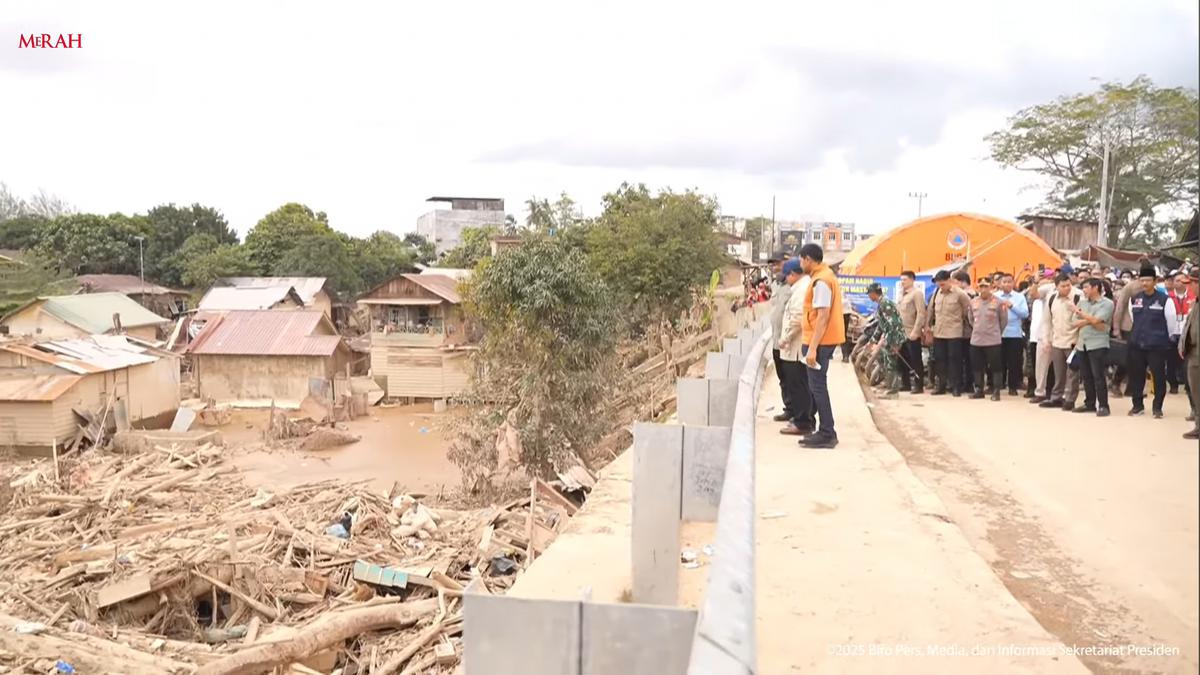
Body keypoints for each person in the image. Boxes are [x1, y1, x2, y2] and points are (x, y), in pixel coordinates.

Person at [796, 244, 845, 449]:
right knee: (817, 386)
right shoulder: (825, 276)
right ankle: (824, 430)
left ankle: (827, 432)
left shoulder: (821, 281)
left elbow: (823, 316)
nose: (800, 264)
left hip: (820, 341)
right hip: (823, 339)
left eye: (801, 260)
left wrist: (813, 347)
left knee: (818, 387)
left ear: (808, 259)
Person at [1127, 264, 1177, 418]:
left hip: (1157, 346)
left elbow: (1171, 322)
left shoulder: (1165, 300)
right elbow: (1132, 317)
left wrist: (1165, 340)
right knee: (1136, 376)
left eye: (1148, 280)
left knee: (1159, 376)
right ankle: (1137, 406)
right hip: (1137, 344)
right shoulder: (1135, 299)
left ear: (1155, 281)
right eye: (1142, 280)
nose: (1144, 284)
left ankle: (1157, 408)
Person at [775, 258, 815, 435]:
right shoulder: (800, 288)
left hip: (796, 347)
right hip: (796, 346)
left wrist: (786, 338)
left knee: (797, 384)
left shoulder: (801, 290)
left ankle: (802, 422)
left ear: (793, 274)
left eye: (787, 276)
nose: (786, 279)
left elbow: (798, 318)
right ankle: (803, 418)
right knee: (801, 384)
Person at [1070, 278, 1115, 416]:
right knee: (1086, 375)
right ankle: (1089, 403)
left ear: (1095, 288)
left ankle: (1103, 405)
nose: (1084, 290)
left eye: (1086, 287)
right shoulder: (1082, 302)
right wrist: (1092, 321)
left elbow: (1097, 320)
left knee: (1098, 376)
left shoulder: (1107, 303)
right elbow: (1074, 323)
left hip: (1098, 343)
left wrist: (1082, 315)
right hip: (1082, 343)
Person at [925, 270, 973, 396]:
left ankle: (956, 386)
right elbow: (930, 310)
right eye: (939, 284)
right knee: (940, 360)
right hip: (939, 332)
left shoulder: (960, 294)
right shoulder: (936, 293)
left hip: (954, 332)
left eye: (943, 284)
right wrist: (927, 327)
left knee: (955, 361)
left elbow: (967, 311)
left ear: (950, 281)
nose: (941, 286)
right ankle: (941, 386)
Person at [1040, 275, 1083, 410]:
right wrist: (1046, 339)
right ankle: (1056, 397)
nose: (1066, 288)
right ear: (1056, 286)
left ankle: (1070, 399)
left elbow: (1083, 320)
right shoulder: (1052, 298)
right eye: (1063, 286)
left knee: (1072, 373)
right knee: (1058, 372)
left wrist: (1079, 341)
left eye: (1068, 285)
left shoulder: (1078, 297)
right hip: (1057, 341)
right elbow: (1047, 320)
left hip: (1073, 341)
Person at [969, 278, 1007, 400]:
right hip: (976, 340)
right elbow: (970, 319)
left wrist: (996, 332)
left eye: (986, 286)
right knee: (977, 366)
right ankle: (979, 389)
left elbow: (1003, 321)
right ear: (977, 288)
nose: (983, 289)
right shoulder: (973, 302)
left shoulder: (999, 302)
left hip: (993, 340)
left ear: (991, 287)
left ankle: (996, 391)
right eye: (981, 286)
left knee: (996, 366)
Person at [767, 256, 795, 423]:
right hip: (776, 339)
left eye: (777, 264)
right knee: (783, 378)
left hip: (788, 340)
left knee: (793, 378)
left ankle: (797, 412)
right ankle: (789, 409)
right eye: (772, 265)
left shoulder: (793, 287)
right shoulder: (775, 285)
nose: (775, 267)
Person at [866, 283, 906, 395]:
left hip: (894, 337)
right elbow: (881, 325)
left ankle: (893, 391)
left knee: (891, 363)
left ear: (873, 293)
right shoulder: (881, 304)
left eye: (869, 294)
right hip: (889, 337)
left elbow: (894, 324)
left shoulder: (885, 303)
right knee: (883, 360)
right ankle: (888, 384)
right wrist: (872, 341)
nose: (869, 296)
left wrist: (893, 342)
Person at [996, 273, 1029, 396]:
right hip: (998, 333)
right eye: (1004, 282)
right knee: (999, 361)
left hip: (1014, 333)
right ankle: (998, 385)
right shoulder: (995, 296)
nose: (1006, 284)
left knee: (1014, 362)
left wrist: (1012, 306)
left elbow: (1025, 314)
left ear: (1013, 283)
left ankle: (1013, 386)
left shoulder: (1019, 297)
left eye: (1009, 282)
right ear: (1000, 283)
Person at [1026, 271, 1055, 401]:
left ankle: (1055, 393)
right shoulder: (1040, 291)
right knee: (1040, 366)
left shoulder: (1052, 289)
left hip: (1055, 333)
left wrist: (1038, 283)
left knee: (1056, 367)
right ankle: (1040, 392)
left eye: (1046, 277)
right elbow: (1032, 294)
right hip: (1038, 334)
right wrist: (1036, 282)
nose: (1044, 280)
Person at [896, 270, 927, 393]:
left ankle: (918, 385)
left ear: (912, 280)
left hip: (912, 332)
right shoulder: (903, 295)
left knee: (915, 360)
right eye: (901, 280)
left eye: (905, 280)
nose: (902, 282)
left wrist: (916, 331)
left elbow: (921, 313)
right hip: (902, 332)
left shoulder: (917, 294)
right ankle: (906, 384)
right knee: (902, 360)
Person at [1167, 272, 1195, 394]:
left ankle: (1188, 384)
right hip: (1172, 332)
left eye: (1183, 280)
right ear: (1173, 282)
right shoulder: (1168, 297)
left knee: (1187, 361)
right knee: (1171, 360)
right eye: (1177, 280)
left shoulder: (1193, 296)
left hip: (1186, 331)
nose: (1180, 283)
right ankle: (1173, 384)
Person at [1181, 267, 1200, 439]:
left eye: (1192, 283)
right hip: (1193, 354)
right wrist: (1182, 345)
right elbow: (1188, 326)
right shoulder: (1196, 303)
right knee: (1195, 391)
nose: (1190, 287)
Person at [953, 271, 977, 392]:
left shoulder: (970, 295)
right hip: (963, 331)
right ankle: (966, 383)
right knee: (966, 359)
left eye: (956, 282)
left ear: (963, 282)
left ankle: (968, 383)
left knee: (968, 359)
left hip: (968, 331)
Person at [839, 286, 853, 363]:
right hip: (846, 314)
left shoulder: (839, 298)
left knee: (842, 335)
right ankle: (846, 355)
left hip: (841, 315)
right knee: (844, 335)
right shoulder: (846, 298)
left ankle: (845, 356)